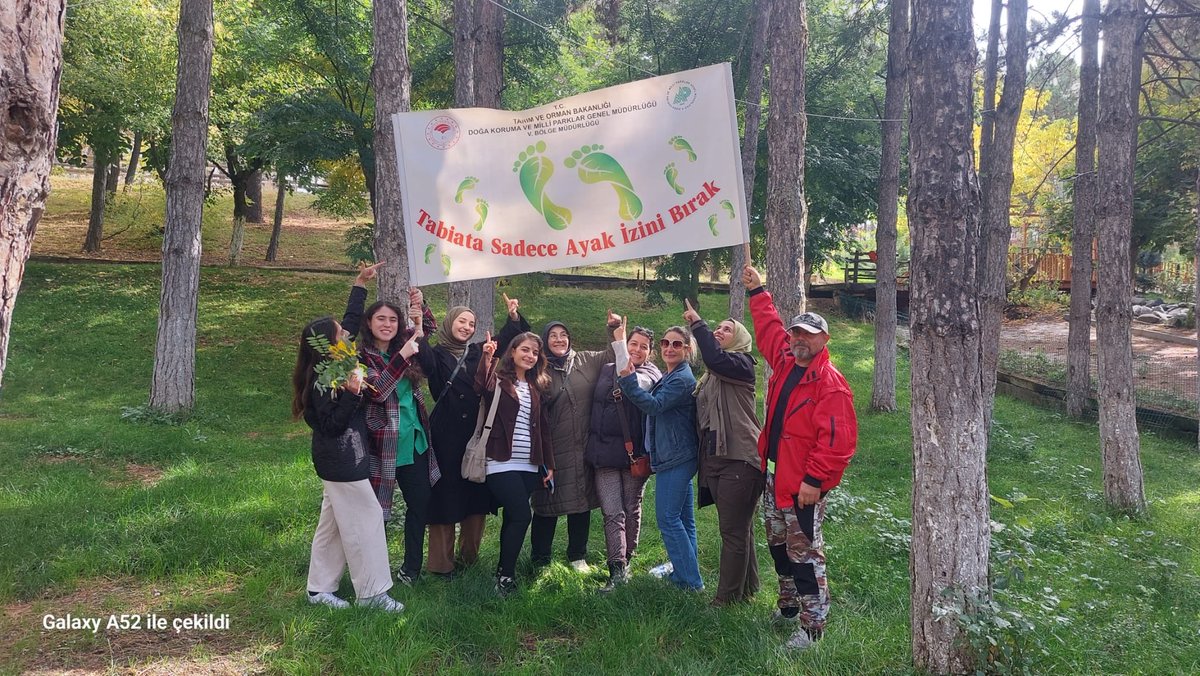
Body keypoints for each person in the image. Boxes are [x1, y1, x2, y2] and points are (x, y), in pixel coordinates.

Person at [742, 264, 858, 650]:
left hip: (802, 486)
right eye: (796, 334)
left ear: (824, 339)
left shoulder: (831, 386)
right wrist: (758, 291)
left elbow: (839, 445)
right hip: (774, 478)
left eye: (808, 335)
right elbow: (769, 329)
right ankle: (789, 607)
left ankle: (813, 627)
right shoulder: (787, 361)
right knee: (778, 546)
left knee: (805, 555)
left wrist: (814, 482)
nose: (799, 340)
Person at [413, 294, 530, 578]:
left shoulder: (479, 350)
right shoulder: (438, 352)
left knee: (476, 494)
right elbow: (423, 358)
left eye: (471, 323)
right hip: (446, 435)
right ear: (450, 322)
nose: (466, 326)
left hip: (478, 434)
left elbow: (509, 339)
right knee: (444, 497)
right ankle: (441, 565)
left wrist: (513, 315)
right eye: (462, 321)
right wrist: (418, 324)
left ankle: (469, 559)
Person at [292, 316, 404, 613]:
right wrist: (352, 394)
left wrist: (359, 285)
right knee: (365, 522)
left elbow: (351, 321)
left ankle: (319, 589)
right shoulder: (322, 379)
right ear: (330, 343)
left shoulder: (333, 367)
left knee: (333, 527)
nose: (347, 334)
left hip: (341, 459)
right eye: (341, 332)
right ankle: (372, 595)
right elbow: (331, 425)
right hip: (341, 461)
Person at [341, 265, 437, 586]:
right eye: (381, 319)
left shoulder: (404, 347)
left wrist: (419, 305)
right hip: (381, 447)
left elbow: (429, 329)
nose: (388, 324)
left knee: (420, 506)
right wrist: (406, 353)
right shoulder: (360, 358)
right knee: (377, 513)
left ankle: (410, 570)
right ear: (370, 323)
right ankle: (375, 573)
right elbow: (378, 390)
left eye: (393, 320)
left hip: (414, 442)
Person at [684, 299, 764, 607]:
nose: (719, 330)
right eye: (716, 327)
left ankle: (726, 600)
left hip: (740, 459)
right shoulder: (712, 376)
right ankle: (748, 589)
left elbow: (714, 358)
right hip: (716, 459)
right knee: (741, 529)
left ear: (741, 339)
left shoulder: (741, 365)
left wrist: (697, 324)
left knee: (732, 532)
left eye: (726, 329)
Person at [530, 315, 619, 571]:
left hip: (583, 445)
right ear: (546, 341)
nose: (559, 340)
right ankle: (540, 560)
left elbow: (613, 355)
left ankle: (577, 556)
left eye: (564, 335)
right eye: (553, 336)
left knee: (581, 502)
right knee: (546, 505)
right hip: (551, 447)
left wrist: (612, 329)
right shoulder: (539, 367)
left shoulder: (587, 360)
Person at [617, 325, 703, 591]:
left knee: (667, 518)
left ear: (687, 349)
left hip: (675, 457)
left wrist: (628, 380)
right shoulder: (673, 374)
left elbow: (654, 406)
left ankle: (690, 581)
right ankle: (685, 571)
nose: (669, 348)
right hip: (678, 454)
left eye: (677, 344)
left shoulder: (680, 378)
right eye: (666, 343)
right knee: (683, 519)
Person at [475, 331, 556, 596]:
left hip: (529, 464)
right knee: (523, 515)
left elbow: (542, 429)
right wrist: (488, 356)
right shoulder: (498, 380)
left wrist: (548, 465)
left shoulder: (535, 386)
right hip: (500, 461)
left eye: (535, 352)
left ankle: (502, 573)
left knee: (514, 517)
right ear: (513, 352)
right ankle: (506, 576)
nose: (530, 356)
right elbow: (480, 384)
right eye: (525, 350)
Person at [584, 320, 662, 592]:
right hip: (604, 453)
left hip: (633, 456)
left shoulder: (651, 373)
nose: (637, 350)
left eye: (643, 347)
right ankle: (616, 568)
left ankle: (627, 560)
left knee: (631, 509)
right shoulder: (605, 370)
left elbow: (632, 380)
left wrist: (619, 342)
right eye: (633, 344)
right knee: (612, 512)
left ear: (650, 353)